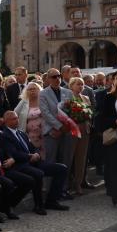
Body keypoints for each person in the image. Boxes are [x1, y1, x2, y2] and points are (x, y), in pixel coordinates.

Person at [0, 111, 69, 214]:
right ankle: (38, 205)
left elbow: (33, 147)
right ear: (6, 121)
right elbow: (13, 153)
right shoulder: (4, 135)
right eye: (13, 119)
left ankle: (52, 200)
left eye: (17, 118)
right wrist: (29, 156)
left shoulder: (21, 133)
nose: (17, 120)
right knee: (38, 174)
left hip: (33, 162)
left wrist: (36, 154)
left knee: (62, 168)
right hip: (20, 165)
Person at [40, 68, 73, 197]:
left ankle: (63, 189)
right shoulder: (43, 94)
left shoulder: (68, 92)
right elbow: (46, 113)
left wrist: (65, 127)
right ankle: (48, 190)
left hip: (66, 131)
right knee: (51, 161)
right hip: (51, 132)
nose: (57, 78)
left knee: (65, 160)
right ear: (48, 79)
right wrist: (59, 127)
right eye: (53, 77)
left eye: (58, 76)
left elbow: (72, 111)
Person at [99, 71, 117, 208]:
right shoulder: (110, 97)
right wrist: (115, 121)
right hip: (116, 137)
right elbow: (102, 118)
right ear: (115, 82)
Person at [66, 77, 92, 195]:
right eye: (78, 84)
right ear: (71, 86)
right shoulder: (67, 99)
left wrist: (87, 115)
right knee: (69, 157)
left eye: (82, 84)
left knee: (81, 158)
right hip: (71, 132)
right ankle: (66, 184)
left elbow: (90, 113)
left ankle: (78, 184)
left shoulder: (86, 98)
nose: (81, 86)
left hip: (84, 131)